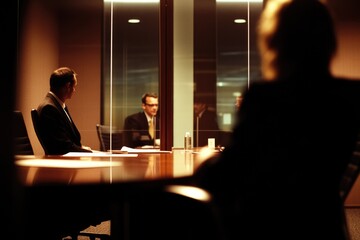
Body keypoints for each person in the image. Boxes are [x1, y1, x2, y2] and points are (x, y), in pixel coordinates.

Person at [193, 0, 360, 239]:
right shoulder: (350, 97)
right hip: (323, 224)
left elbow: (226, 176)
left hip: (266, 225)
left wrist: (205, 157)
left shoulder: (265, 97)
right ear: (328, 42)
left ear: (275, 43)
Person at [37, 67, 92, 155]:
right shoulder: (49, 108)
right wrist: (89, 153)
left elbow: (66, 140)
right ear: (68, 86)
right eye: (74, 86)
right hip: (60, 164)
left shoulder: (57, 105)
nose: (74, 90)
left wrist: (81, 148)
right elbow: (62, 146)